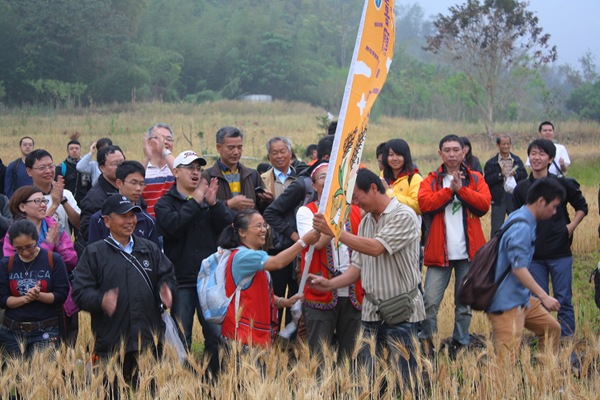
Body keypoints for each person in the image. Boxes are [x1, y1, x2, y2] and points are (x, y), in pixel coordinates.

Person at [308, 168, 425, 383]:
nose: (355, 203)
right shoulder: (366, 222)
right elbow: (357, 268)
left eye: (356, 197)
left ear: (373, 188)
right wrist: (330, 284)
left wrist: (335, 231)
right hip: (371, 312)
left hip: (402, 310)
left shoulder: (403, 215)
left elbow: (375, 248)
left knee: (407, 380)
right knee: (371, 381)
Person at [72, 194, 176, 389]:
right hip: (110, 342)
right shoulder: (94, 253)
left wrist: (167, 290)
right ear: (107, 221)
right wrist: (101, 300)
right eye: (123, 216)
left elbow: (167, 275)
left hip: (148, 340)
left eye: (132, 215)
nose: (130, 221)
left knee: (149, 391)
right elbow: (79, 292)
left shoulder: (149, 249)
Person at [155, 150, 232, 375]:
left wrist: (214, 204)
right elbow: (173, 226)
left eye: (199, 169)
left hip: (210, 281)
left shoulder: (208, 201)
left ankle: (213, 381)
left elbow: (230, 229)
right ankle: (183, 383)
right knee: (181, 336)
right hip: (182, 281)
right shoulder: (165, 204)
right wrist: (197, 201)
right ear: (176, 172)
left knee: (216, 336)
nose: (196, 173)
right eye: (190, 168)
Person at [418, 134, 491, 352]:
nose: (451, 154)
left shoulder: (476, 178)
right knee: (429, 302)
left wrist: (462, 190)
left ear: (463, 152)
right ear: (440, 153)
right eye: (447, 150)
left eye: (455, 150)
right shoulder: (431, 180)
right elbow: (425, 203)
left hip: (469, 255)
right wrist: (450, 191)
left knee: (465, 305)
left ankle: (461, 343)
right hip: (439, 253)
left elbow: (484, 204)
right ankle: (427, 342)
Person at [513, 139, 587, 339]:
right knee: (538, 299)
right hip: (533, 255)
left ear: (551, 158)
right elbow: (515, 218)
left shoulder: (561, 184)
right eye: (533, 154)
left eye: (541, 154)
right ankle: (545, 339)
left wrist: (570, 227)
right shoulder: (521, 189)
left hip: (560, 252)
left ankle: (566, 340)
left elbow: (582, 206)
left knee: (563, 297)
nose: (536, 158)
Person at [486, 177, 565, 363]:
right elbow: (518, 269)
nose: (554, 212)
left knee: (551, 329)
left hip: (521, 298)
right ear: (540, 202)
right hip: (506, 302)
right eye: (553, 207)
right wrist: (544, 296)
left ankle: (545, 379)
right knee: (505, 365)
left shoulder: (521, 216)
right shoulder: (522, 226)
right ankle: (491, 393)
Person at [219, 209, 320, 347]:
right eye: (258, 226)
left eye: (264, 225)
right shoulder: (243, 256)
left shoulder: (254, 256)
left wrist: (284, 302)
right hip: (242, 337)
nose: (263, 230)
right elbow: (278, 262)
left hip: (254, 336)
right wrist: (303, 242)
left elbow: (258, 294)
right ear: (242, 232)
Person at [296, 163, 363, 359]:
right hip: (319, 289)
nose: (329, 181)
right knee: (319, 354)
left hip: (353, 289)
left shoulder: (357, 210)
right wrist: (337, 216)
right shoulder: (306, 211)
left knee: (352, 354)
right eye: (323, 176)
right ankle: (322, 390)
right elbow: (314, 243)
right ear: (314, 185)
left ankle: (349, 389)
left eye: (334, 176)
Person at [4, 185, 79, 344]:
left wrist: (57, 246)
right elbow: (13, 264)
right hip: (22, 309)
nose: (43, 204)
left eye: (44, 200)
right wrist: (47, 246)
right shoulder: (14, 232)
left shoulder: (54, 227)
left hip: (58, 305)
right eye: (37, 201)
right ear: (22, 206)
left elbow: (72, 261)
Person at [0, 219, 69, 357]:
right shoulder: (7, 263)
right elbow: (2, 299)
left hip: (45, 329)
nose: (25, 252)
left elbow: (61, 295)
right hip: (12, 332)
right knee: (15, 376)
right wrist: (26, 299)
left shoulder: (53, 259)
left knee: (44, 376)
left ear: (37, 239)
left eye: (29, 247)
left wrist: (39, 295)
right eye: (18, 249)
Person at [261, 137, 303, 323]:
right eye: (274, 153)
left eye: (283, 151)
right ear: (269, 156)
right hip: (273, 245)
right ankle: (273, 338)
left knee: (296, 294)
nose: (279, 156)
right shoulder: (262, 180)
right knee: (275, 293)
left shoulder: (301, 179)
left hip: (298, 245)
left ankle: (291, 340)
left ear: (290, 152)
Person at [202, 126, 273, 216]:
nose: (236, 152)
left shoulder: (252, 175)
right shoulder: (207, 177)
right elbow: (202, 210)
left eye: (239, 147)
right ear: (218, 147)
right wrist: (228, 204)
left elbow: (261, 210)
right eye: (231, 148)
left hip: (249, 229)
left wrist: (266, 201)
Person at [88, 161, 159, 246]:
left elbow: (154, 256)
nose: (138, 188)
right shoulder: (100, 219)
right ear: (119, 183)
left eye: (142, 184)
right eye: (133, 183)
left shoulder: (149, 221)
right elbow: (94, 254)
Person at [25, 149, 81, 238]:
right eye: (42, 168)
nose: (48, 171)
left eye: (51, 166)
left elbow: (80, 224)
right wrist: (54, 205)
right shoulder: (25, 198)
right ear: (29, 171)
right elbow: (30, 231)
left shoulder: (66, 194)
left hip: (64, 250)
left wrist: (63, 200)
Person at [79, 145, 125, 243]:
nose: (120, 167)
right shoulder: (94, 198)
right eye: (115, 164)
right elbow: (88, 232)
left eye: (122, 162)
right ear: (102, 168)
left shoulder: (129, 189)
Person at [483, 134, 528, 236]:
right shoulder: (492, 162)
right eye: (503, 144)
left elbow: (524, 175)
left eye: (508, 144)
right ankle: (494, 250)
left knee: (517, 224)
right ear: (498, 145)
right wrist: (500, 175)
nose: (506, 146)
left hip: (513, 196)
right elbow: (487, 180)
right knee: (496, 227)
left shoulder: (516, 160)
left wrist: (515, 174)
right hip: (498, 197)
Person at [141, 123, 176, 217]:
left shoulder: (175, 166)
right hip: (148, 224)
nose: (164, 142)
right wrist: (147, 158)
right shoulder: (144, 168)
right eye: (159, 138)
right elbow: (134, 183)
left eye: (168, 139)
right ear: (148, 142)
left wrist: (165, 151)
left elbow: (181, 176)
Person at [381, 139, 422, 215]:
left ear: (406, 157)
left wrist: (390, 193)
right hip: (386, 224)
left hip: (407, 224)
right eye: (391, 155)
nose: (395, 158)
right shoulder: (382, 176)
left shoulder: (414, 178)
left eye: (399, 155)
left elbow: (418, 206)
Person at [55, 139, 91, 205]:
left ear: (80, 150)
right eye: (71, 149)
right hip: (66, 203)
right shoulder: (61, 167)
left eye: (77, 148)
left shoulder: (87, 167)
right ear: (67, 151)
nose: (74, 151)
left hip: (84, 204)